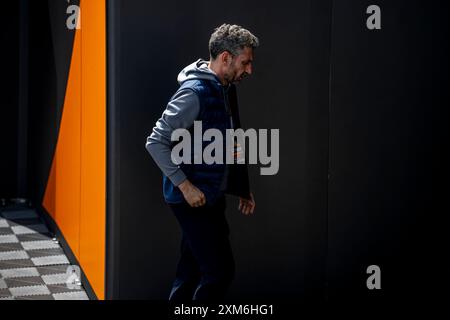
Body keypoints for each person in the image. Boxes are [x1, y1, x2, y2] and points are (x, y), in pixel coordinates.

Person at [145, 23, 259, 302]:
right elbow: (155, 142)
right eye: (245, 63)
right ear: (225, 58)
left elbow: (229, 138)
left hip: (211, 194)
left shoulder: (224, 87)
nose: (249, 70)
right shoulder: (194, 93)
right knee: (219, 272)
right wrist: (185, 187)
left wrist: (240, 185)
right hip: (193, 199)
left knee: (191, 270)